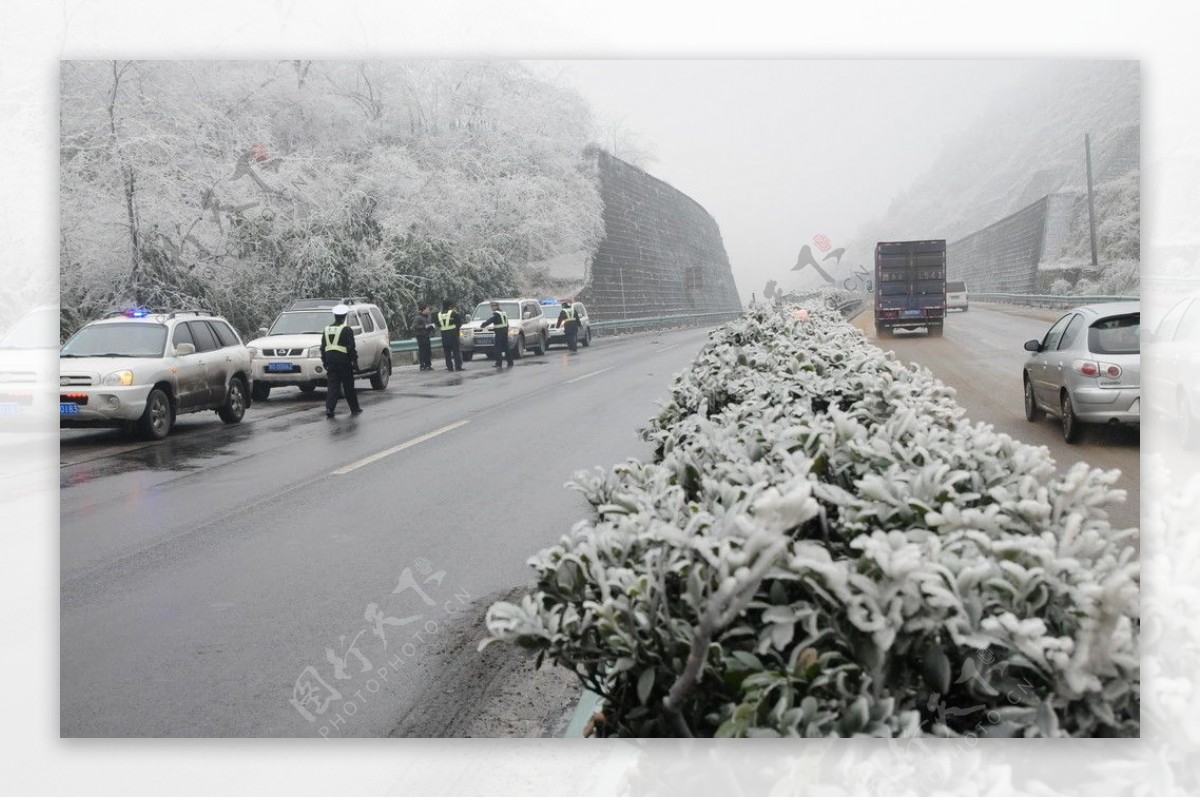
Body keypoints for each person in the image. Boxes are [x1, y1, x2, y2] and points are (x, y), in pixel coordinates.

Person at [321, 304, 362, 418]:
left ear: (335, 316)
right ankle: (355, 408)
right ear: (344, 317)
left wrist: (325, 362)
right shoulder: (346, 329)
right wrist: (355, 362)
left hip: (331, 362)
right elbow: (351, 348)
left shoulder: (327, 329)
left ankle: (329, 409)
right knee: (348, 385)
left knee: (333, 386)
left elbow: (323, 347)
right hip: (344, 362)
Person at [478, 301, 513, 368]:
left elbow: (490, 320)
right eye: (492, 306)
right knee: (506, 347)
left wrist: (483, 325)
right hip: (505, 331)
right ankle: (510, 362)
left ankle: (498, 363)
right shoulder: (503, 312)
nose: (492, 307)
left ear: (497, 306)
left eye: (494, 306)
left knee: (498, 348)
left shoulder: (496, 314)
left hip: (499, 332)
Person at [437, 299, 464, 371]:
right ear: (450, 306)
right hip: (453, 335)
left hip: (444, 336)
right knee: (456, 351)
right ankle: (458, 367)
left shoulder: (439, 314)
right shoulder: (454, 313)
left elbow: (437, 324)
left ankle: (449, 367)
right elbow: (459, 324)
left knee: (447, 352)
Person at [410, 303, 437, 371]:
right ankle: (422, 365)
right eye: (427, 309)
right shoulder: (418, 317)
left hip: (427, 335)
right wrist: (423, 327)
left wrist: (431, 327)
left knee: (428, 351)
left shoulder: (428, 317)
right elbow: (414, 326)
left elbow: (428, 325)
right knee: (422, 351)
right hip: (421, 336)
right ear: (423, 310)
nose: (428, 310)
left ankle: (428, 365)